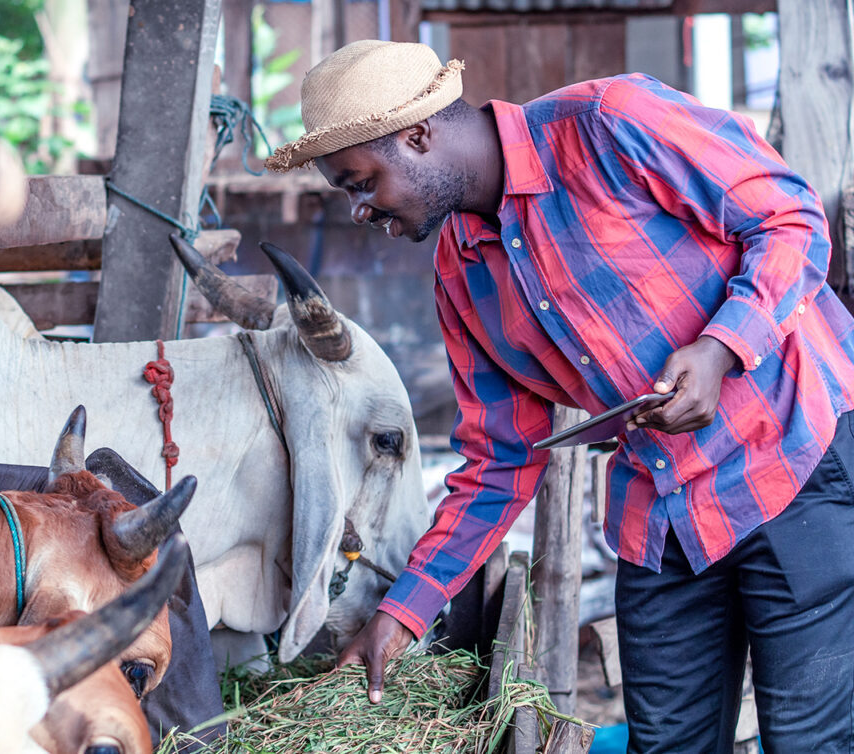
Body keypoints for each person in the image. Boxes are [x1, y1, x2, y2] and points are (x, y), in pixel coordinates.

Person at [265, 39, 854, 752]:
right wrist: (404, 613)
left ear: (417, 136)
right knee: (666, 744)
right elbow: (500, 458)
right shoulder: (459, 273)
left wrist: (722, 347)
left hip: (791, 460)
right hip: (662, 514)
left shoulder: (611, 122)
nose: (359, 210)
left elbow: (790, 218)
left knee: (810, 741)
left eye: (360, 183)